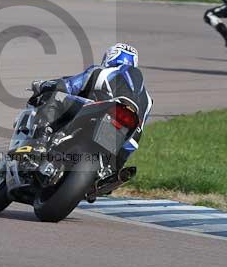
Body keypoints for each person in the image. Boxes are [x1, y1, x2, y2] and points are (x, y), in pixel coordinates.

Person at [29, 43, 153, 171]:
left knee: (56, 97)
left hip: (102, 112)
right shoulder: (148, 100)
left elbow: (67, 86)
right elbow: (139, 131)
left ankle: (39, 143)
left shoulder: (101, 71)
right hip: (128, 136)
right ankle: (109, 174)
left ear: (109, 57)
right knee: (116, 166)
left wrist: (43, 85)